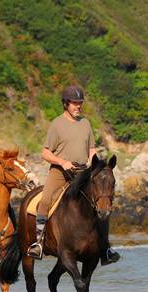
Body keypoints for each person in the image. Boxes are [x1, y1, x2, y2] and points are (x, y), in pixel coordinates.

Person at [27, 85, 120, 264]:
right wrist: (62, 162)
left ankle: (105, 248)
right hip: (60, 172)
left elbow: (91, 150)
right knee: (45, 201)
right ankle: (38, 242)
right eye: (74, 103)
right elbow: (45, 153)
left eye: (80, 103)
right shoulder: (57, 124)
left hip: (82, 172)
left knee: (102, 203)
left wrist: (96, 167)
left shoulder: (85, 123)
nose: (78, 106)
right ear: (65, 104)